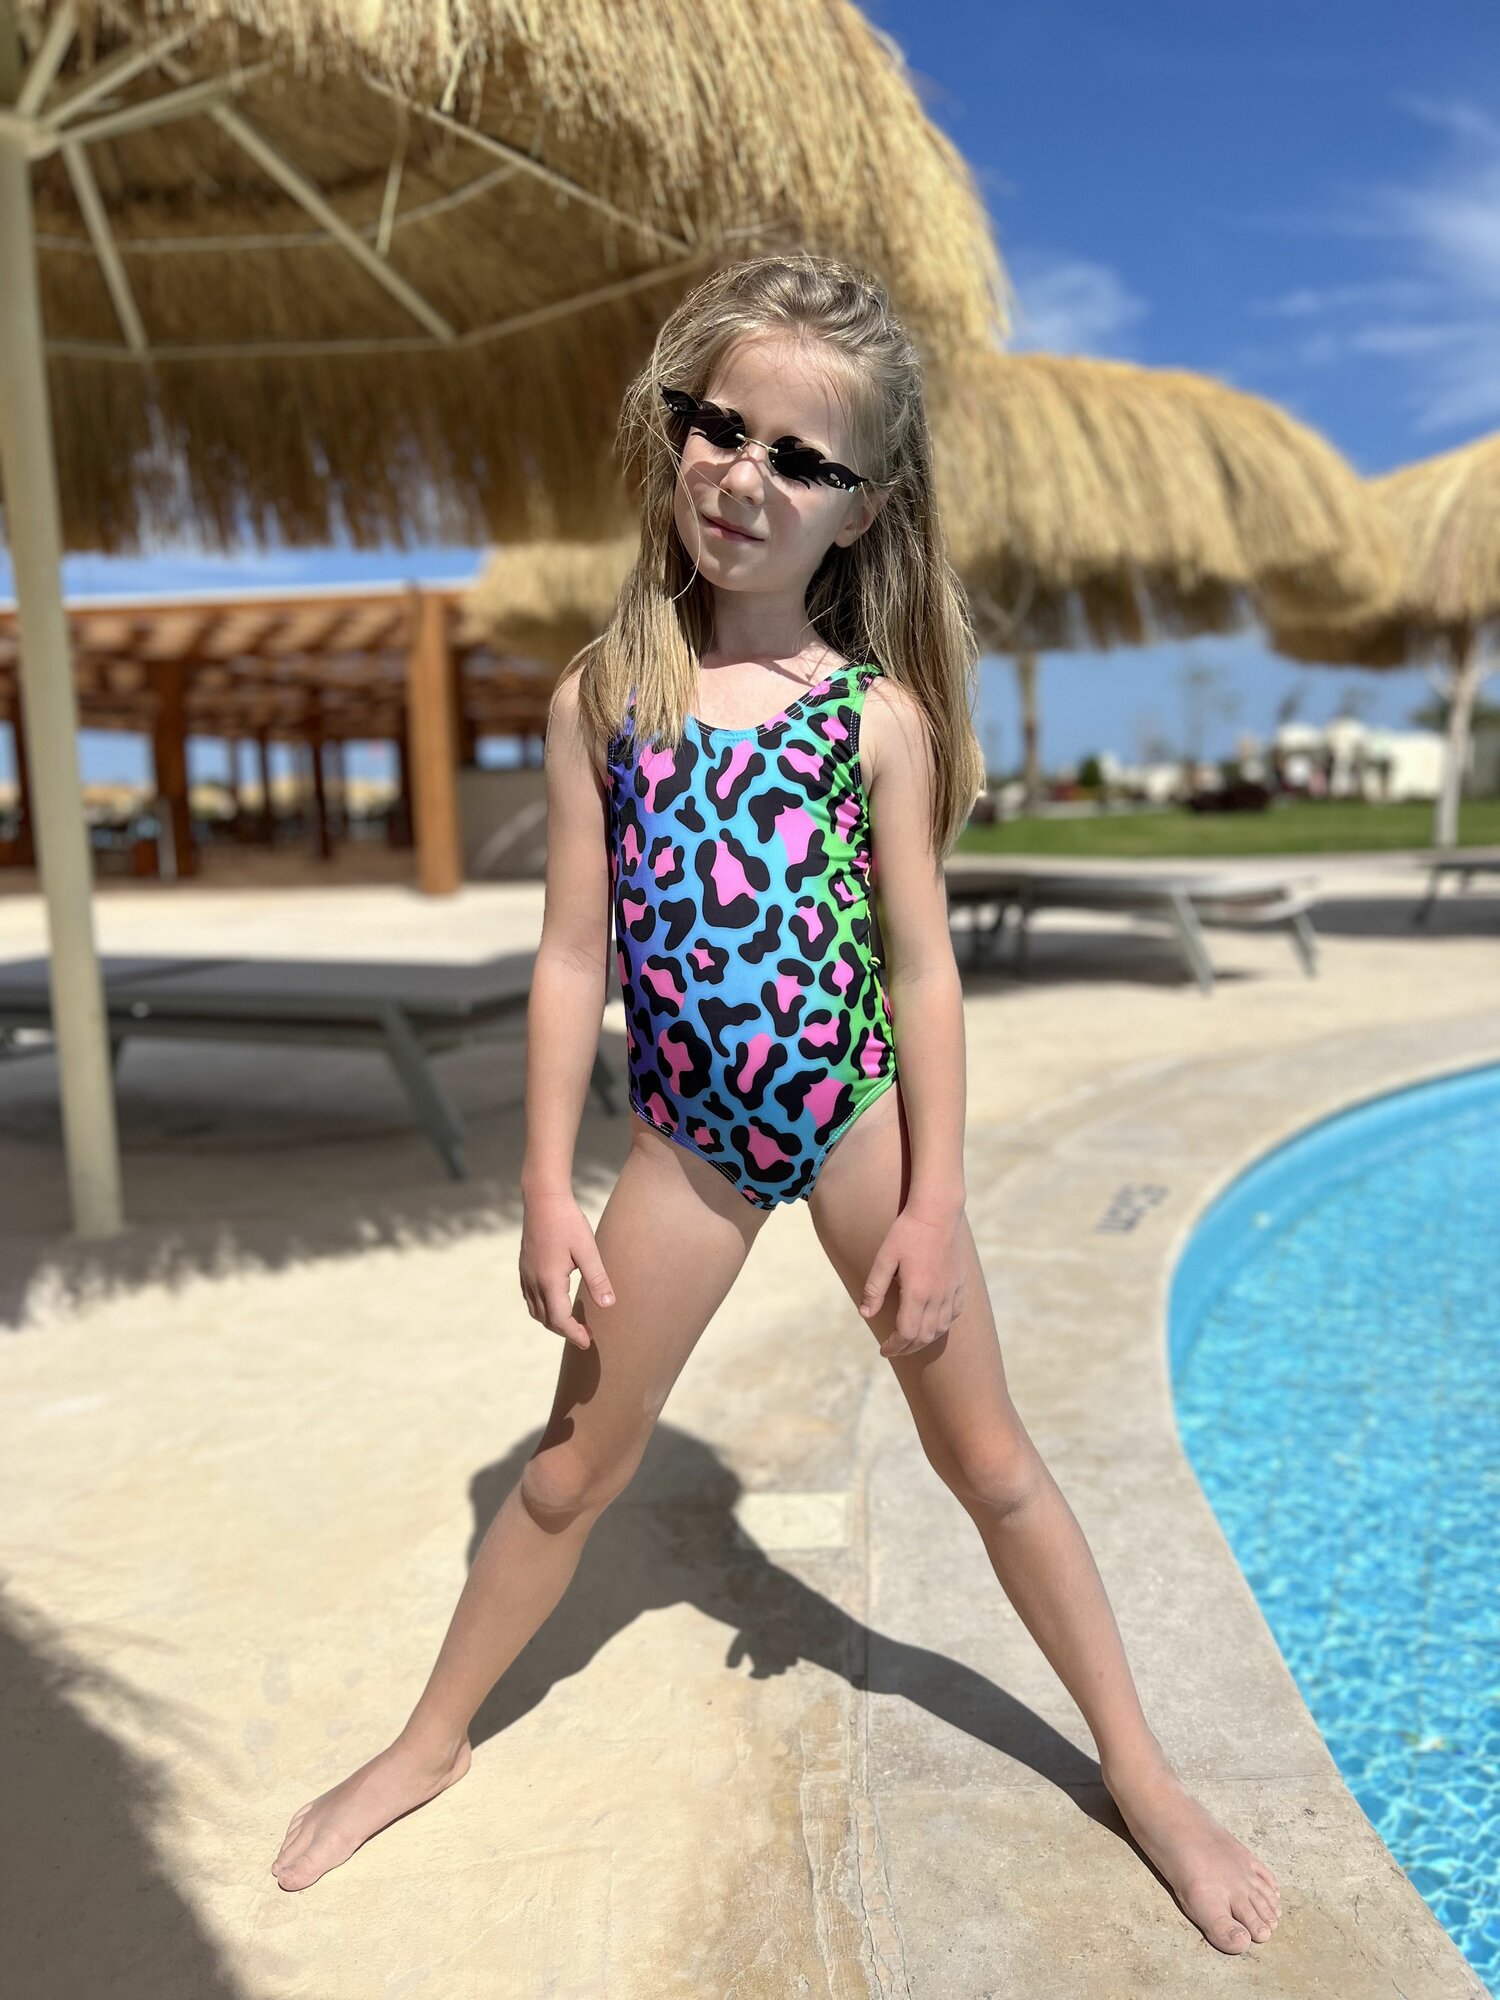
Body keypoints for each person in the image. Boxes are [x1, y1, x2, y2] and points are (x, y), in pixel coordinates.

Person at [270, 254, 1282, 1955]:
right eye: (721, 428)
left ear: (861, 508)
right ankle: (429, 1739)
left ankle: (1145, 1774)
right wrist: (543, 1185)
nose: (746, 474)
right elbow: (570, 959)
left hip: (857, 1119)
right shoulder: (609, 697)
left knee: (992, 1465)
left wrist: (938, 1202)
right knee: (566, 1478)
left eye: (801, 458)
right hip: (687, 1149)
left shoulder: (873, 722)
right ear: (676, 433)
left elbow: (924, 973)